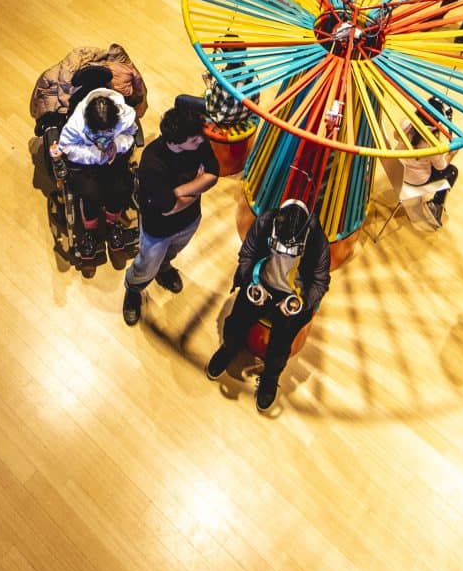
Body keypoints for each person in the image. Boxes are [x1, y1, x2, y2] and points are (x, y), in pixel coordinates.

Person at [205, 199, 330, 413]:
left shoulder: (317, 241)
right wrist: (252, 281)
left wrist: (301, 302)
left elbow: (320, 282)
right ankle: (228, 349)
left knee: (281, 344)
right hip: (260, 283)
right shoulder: (265, 221)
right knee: (235, 323)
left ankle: (270, 378)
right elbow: (247, 254)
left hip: (292, 296)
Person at [122, 104, 220, 326]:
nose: (201, 141)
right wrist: (197, 187)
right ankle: (133, 290)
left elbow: (213, 175)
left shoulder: (198, 142)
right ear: (175, 142)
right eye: (194, 140)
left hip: (190, 220)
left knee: (171, 254)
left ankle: (164, 269)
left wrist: (179, 191)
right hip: (158, 230)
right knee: (145, 265)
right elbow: (169, 208)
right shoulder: (152, 163)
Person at [52, 87, 141, 264]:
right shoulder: (76, 123)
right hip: (85, 164)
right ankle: (90, 231)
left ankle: (112, 224)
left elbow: (131, 134)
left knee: (121, 187)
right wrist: (95, 154)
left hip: (114, 159)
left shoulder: (124, 115)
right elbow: (67, 148)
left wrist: (117, 145)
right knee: (90, 193)